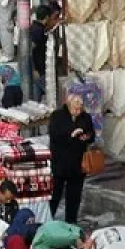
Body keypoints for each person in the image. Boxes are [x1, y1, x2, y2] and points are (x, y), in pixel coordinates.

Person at [48, 94, 95, 223]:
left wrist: (86, 137)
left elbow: (91, 134)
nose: (78, 111)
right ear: (68, 106)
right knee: (55, 193)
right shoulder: (57, 116)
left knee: (74, 195)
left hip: (78, 162)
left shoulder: (85, 117)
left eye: (80, 109)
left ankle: (71, 221)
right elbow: (54, 136)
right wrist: (71, 135)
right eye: (75, 109)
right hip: (60, 162)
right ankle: (48, 219)